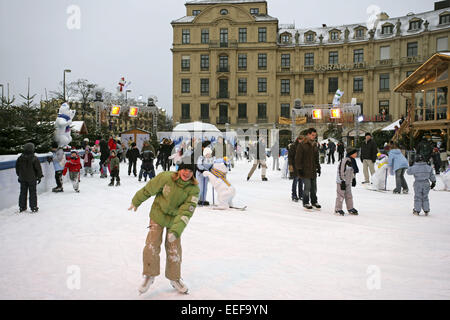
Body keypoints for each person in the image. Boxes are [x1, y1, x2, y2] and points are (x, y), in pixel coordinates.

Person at [129, 160, 200, 295]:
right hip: (158, 214)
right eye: (185, 169)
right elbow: (149, 189)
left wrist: (175, 231)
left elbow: (186, 212)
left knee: (174, 248)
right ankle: (149, 275)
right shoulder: (166, 177)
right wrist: (136, 201)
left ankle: (175, 278)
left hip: (175, 220)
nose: (187, 173)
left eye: (190, 171)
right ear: (179, 169)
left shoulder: (194, 190)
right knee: (152, 244)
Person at [295, 128, 321, 210]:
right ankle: (306, 202)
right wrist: (299, 169)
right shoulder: (302, 145)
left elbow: (316, 158)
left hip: (313, 170)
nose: (314, 137)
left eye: (315, 135)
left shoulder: (314, 145)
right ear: (308, 134)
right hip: (305, 170)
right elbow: (298, 158)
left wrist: (318, 167)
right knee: (307, 187)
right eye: (312, 135)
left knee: (314, 187)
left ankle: (314, 201)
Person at [15, 142, 43, 213]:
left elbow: (17, 168)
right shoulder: (34, 158)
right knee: (33, 193)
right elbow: (38, 168)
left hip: (23, 178)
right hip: (32, 179)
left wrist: (19, 175)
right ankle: (33, 207)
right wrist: (39, 176)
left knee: (23, 192)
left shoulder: (20, 158)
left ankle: (22, 207)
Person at [335, 147, 359, 216]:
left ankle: (350, 208)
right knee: (340, 195)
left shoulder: (353, 161)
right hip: (341, 182)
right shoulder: (345, 160)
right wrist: (342, 180)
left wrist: (353, 179)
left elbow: (353, 171)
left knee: (349, 195)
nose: (356, 154)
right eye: (355, 153)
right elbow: (341, 171)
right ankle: (338, 209)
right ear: (351, 154)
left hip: (348, 181)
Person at [288, 135, 304, 202]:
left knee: (301, 181)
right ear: (297, 139)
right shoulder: (293, 146)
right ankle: (294, 195)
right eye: (300, 139)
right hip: (295, 166)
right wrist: (290, 165)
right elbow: (290, 157)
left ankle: (301, 195)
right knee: (295, 181)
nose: (301, 140)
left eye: (302, 139)